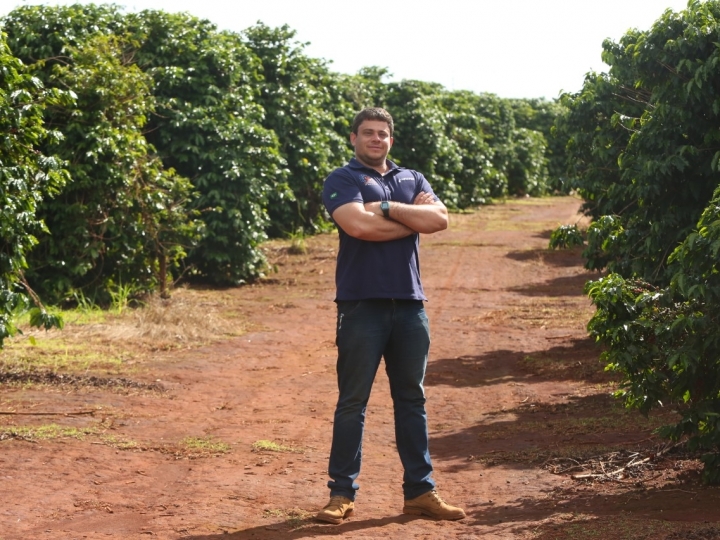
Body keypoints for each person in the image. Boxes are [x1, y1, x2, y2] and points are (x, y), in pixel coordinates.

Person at [316, 107, 466, 524]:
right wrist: (409, 215)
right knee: (352, 403)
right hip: (361, 305)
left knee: (412, 400)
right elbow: (358, 228)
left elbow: (440, 219)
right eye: (368, 133)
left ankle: (420, 492)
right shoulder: (341, 179)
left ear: (391, 140)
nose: (376, 139)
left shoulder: (413, 178)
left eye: (383, 134)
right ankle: (340, 494)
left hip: (410, 305)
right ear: (353, 138)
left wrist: (382, 208)